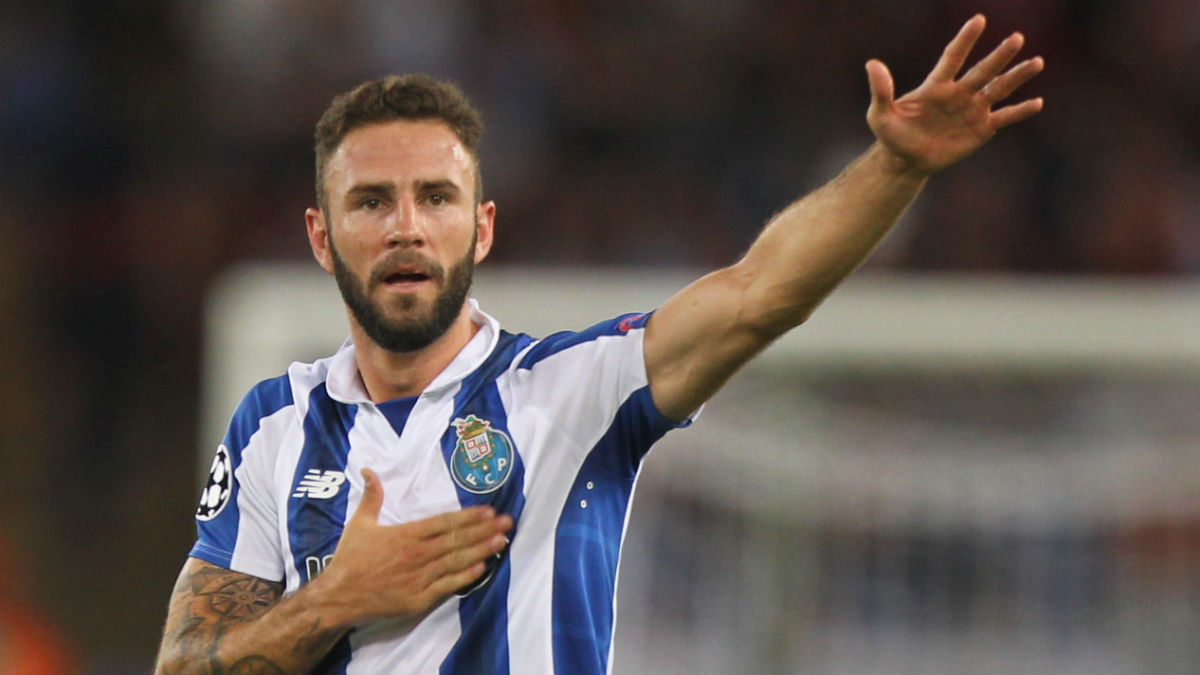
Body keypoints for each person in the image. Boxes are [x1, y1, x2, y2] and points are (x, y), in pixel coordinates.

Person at [155, 14, 1043, 675]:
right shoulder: (274, 424)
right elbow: (186, 664)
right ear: (320, 234)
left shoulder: (569, 389)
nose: (407, 227)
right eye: (371, 201)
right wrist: (339, 599)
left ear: (483, 228)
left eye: (436, 197)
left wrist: (895, 167)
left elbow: (757, 295)